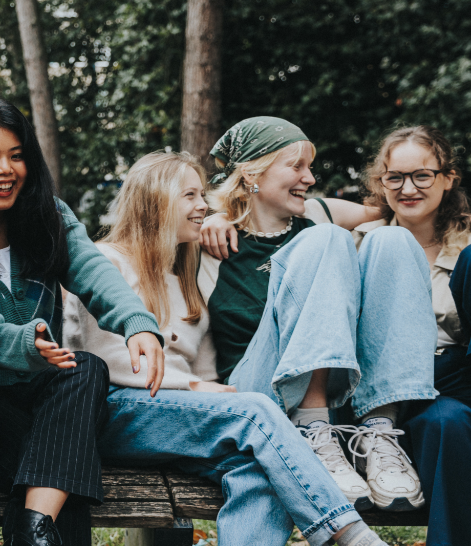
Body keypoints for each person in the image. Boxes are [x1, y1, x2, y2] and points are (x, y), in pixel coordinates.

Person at [66, 151, 390, 546]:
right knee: (254, 410)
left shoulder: (185, 278)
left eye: (203, 194)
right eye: (190, 195)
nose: (203, 205)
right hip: (118, 411)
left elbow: (207, 375)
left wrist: (204, 391)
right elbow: (87, 359)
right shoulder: (106, 262)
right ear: (156, 200)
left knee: (256, 470)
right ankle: (350, 533)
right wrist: (192, 390)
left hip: (176, 419)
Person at [0, 99, 165, 546]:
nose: (6, 169)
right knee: (64, 478)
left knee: (87, 368)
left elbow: (94, 271)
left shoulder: (47, 216)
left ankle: (30, 528)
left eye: (17, 155)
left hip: (41, 400)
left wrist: (138, 324)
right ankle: (36, 524)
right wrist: (23, 346)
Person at [199, 117, 435, 513]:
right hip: (257, 394)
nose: (309, 178)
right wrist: (215, 214)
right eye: (296, 167)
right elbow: (144, 230)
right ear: (253, 174)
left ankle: (379, 433)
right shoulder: (208, 239)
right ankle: (310, 426)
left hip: (337, 398)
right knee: (326, 238)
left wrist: (421, 181)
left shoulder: (319, 214)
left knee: (392, 238)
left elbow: (396, 208)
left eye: (310, 167)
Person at [352, 126, 470, 546]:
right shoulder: (361, 240)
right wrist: (220, 214)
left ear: (447, 178)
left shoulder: (467, 244)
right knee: (446, 420)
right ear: (380, 183)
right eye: (395, 177)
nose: (408, 188)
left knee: (450, 421)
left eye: (422, 175)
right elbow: (286, 207)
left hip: (450, 381)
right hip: (379, 389)